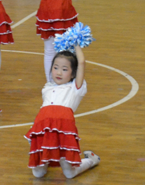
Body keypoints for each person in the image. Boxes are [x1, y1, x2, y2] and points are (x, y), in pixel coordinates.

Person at [25, 45, 100, 178]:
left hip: (64, 130)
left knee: (69, 174)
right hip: (44, 128)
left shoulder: (76, 88)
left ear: (73, 73)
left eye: (64, 69)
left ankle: (91, 160)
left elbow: (81, 62)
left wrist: (76, 43)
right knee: (38, 174)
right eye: (55, 68)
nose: (59, 73)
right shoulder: (47, 87)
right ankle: (47, 159)